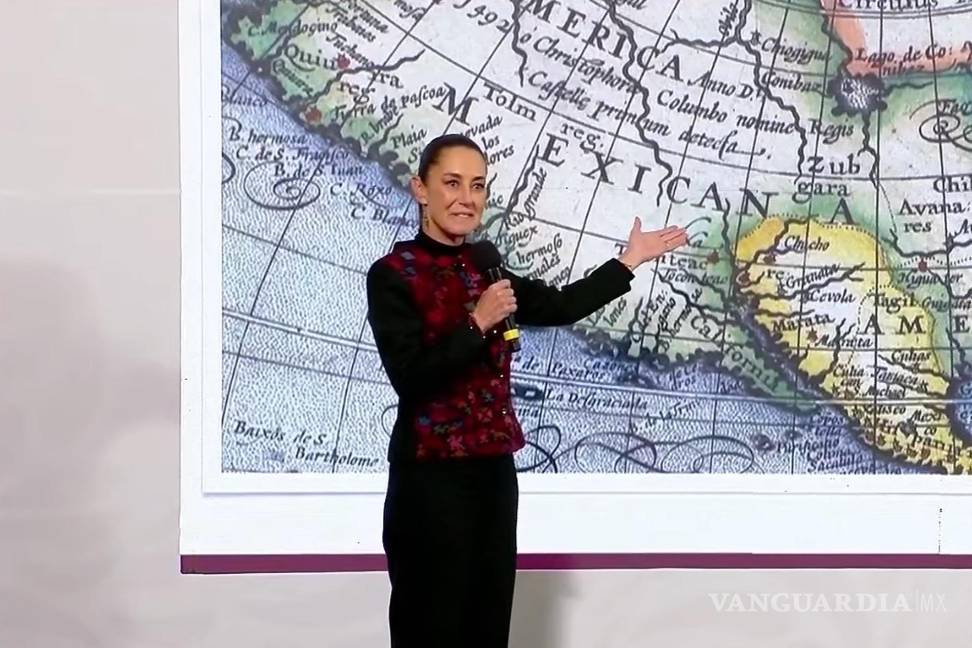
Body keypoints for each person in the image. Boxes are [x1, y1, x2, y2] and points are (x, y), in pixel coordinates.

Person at [365, 133, 688, 648]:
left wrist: (629, 262)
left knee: (488, 624)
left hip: (493, 475)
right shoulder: (393, 275)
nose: (466, 198)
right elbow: (411, 377)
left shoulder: (485, 267)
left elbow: (559, 306)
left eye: (477, 186)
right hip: (430, 480)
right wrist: (477, 323)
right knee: (430, 628)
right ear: (420, 189)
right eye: (452, 183)